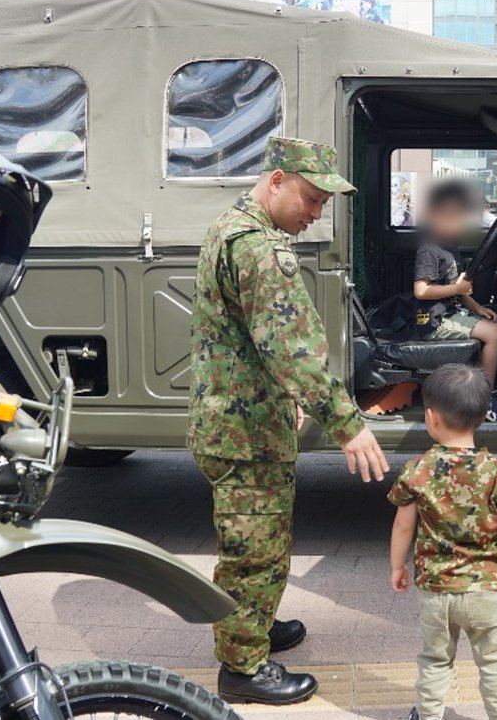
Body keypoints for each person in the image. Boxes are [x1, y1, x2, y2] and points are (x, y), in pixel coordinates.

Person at [189, 135, 389, 706]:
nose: (317, 214)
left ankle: (254, 622)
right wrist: (349, 424)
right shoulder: (257, 247)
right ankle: (242, 668)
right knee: (254, 550)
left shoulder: (228, 227)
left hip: (236, 418)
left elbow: (245, 340)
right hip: (245, 432)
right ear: (276, 181)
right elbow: (292, 349)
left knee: (265, 541)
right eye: (312, 199)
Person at [388, 364, 497, 720]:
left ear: (430, 417)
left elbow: (403, 527)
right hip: (486, 590)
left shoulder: (416, 470)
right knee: (494, 659)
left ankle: (427, 714)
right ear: (483, 416)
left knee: (435, 659)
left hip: (436, 590)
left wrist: (396, 566)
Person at [413, 178, 497, 422]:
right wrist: (456, 288)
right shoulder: (429, 250)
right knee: (493, 334)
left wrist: (479, 308)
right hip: (434, 321)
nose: (457, 224)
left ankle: (482, 389)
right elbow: (421, 291)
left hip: (452, 312)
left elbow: (461, 291)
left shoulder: (450, 248)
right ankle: (484, 398)